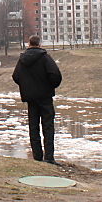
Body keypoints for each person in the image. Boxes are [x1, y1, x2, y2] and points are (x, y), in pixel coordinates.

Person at [12, 35, 63, 164]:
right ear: (39, 44)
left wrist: (27, 87)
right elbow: (55, 75)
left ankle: (37, 157)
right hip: (45, 97)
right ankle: (49, 157)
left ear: (29, 44)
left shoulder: (22, 59)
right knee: (48, 126)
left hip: (31, 98)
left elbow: (16, 76)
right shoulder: (45, 57)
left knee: (33, 127)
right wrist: (49, 86)